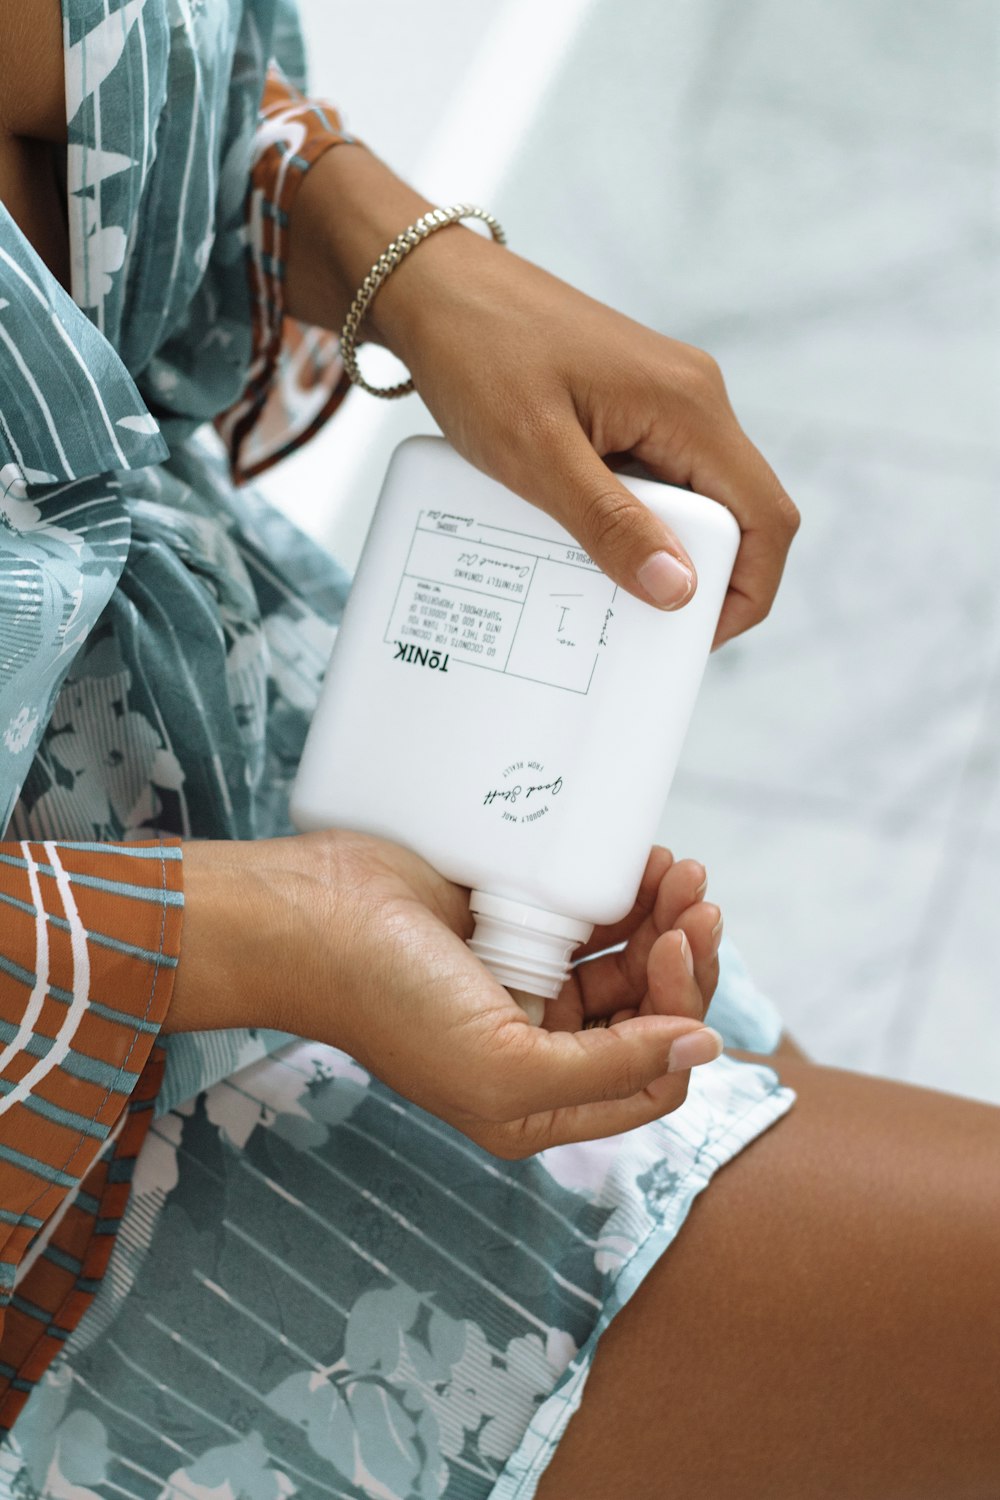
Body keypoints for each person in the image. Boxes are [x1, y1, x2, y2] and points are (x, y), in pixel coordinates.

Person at [0, 3, 996, 1496]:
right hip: (74, 1212)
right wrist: (274, 934)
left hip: (279, 760)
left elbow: (111, 68)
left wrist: (399, 252)